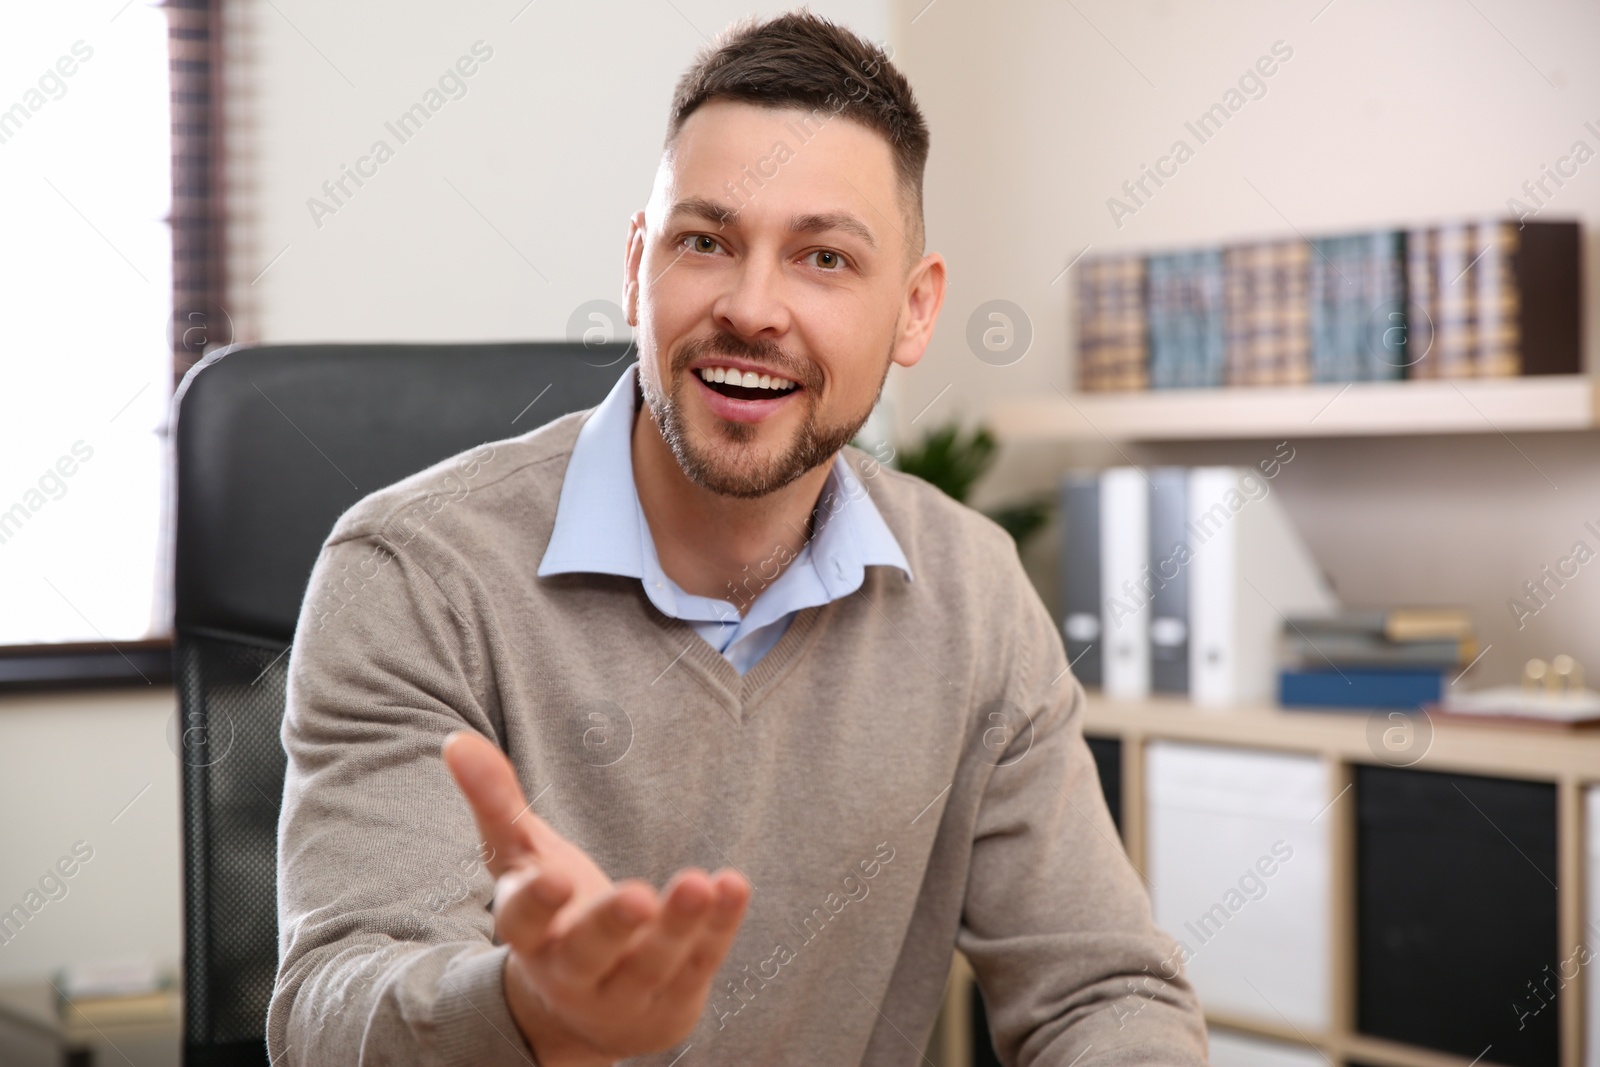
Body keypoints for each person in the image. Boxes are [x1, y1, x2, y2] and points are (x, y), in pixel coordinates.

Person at [267, 10, 1209, 1066]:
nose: (753, 308)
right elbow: (328, 1012)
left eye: (824, 258)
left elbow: (1101, 987)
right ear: (636, 267)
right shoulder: (414, 575)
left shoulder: (973, 590)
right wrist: (531, 1012)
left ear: (913, 308)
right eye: (705, 241)